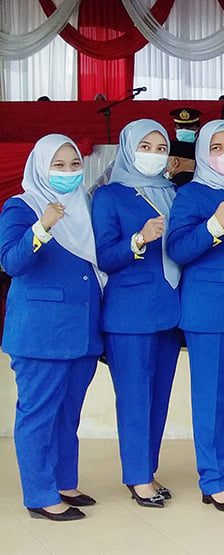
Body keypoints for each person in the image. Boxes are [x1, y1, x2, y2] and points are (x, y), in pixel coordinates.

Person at [0, 134, 104, 521]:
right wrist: (42, 227)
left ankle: (63, 481)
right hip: (41, 332)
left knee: (67, 413)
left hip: (82, 329)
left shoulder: (84, 205)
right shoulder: (22, 206)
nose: (68, 172)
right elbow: (11, 262)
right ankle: (40, 495)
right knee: (38, 414)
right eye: (58, 166)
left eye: (74, 165)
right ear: (40, 168)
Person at [165, 119, 224, 513]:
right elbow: (177, 248)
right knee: (211, 398)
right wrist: (213, 225)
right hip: (209, 310)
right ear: (204, 154)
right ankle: (212, 479)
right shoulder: (192, 193)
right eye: (217, 148)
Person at [92, 119, 181, 509]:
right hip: (129, 314)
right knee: (134, 399)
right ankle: (137, 477)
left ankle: (148, 469)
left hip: (169, 311)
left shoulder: (173, 193)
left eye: (160, 148)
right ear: (128, 150)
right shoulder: (109, 196)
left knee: (158, 399)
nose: (153, 154)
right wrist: (139, 239)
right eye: (145, 147)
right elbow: (105, 256)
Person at [168, 107, 200, 186]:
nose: (184, 130)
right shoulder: (169, 147)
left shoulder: (203, 148)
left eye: (189, 128)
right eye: (180, 128)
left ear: (197, 129)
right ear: (175, 129)